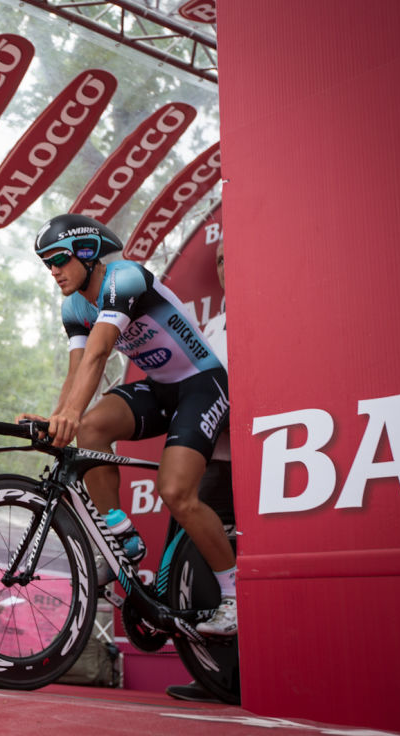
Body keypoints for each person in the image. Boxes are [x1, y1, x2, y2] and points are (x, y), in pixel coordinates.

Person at [22, 214, 237, 637]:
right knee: (92, 428)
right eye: (46, 263)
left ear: (88, 253)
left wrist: (69, 415)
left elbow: (100, 351)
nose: (53, 271)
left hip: (202, 383)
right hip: (161, 387)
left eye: (59, 259)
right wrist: (57, 416)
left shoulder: (125, 277)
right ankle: (121, 537)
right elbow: (77, 369)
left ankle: (233, 596)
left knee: (176, 492)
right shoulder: (74, 306)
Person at [166, 237, 233, 704]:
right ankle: (211, 673)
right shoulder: (214, 324)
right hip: (212, 458)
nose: (227, 266)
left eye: (235, 257)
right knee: (198, 566)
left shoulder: (271, 313)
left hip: (255, 458)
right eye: (221, 259)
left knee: (236, 569)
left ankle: (234, 674)